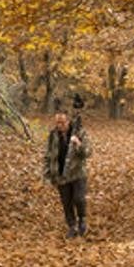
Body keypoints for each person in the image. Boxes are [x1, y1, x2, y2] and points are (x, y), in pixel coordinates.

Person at [43, 100, 92, 238]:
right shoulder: (53, 135)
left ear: (68, 121)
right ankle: (72, 226)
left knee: (79, 199)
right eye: (57, 123)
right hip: (60, 174)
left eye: (62, 123)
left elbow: (88, 153)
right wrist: (48, 173)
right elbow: (48, 154)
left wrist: (78, 144)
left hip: (77, 173)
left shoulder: (79, 132)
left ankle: (82, 219)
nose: (60, 126)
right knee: (66, 203)